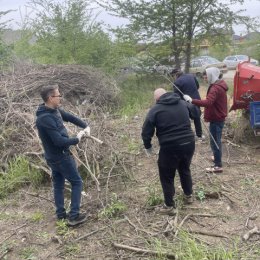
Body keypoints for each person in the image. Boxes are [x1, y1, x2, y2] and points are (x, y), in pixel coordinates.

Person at [36, 84, 90, 226]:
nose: (60, 98)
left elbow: (69, 117)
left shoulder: (55, 110)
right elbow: (59, 141)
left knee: (58, 185)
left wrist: (85, 126)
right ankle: (74, 216)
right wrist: (77, 139)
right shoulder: (44, 119)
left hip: (55, 157)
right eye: (58, 95)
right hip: (59, 157)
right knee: (77, 182)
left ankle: (61, 215)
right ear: (50, 98)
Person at [141, 88, 198, 215]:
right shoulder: (183, 103)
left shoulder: (155, 109)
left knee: (166, 175)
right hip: (189, 143)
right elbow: (196, 113)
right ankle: (189, 196)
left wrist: (148, 146)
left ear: (157, 99)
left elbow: (146, 131)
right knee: (184, 168)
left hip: (170, 146)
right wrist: (191, 102)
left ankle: (169, 206)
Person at [183, 67, 228, 173]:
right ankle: (217, 157)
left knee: (215, 142)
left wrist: (191, 100)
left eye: (206, 76)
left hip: (217, 118)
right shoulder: (217, 85)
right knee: (215, 140)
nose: (204, 78)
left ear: (212, 75)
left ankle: (218, 165)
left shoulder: (215, 88)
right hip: (217, 117)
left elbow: (208, 102)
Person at [171, 68, 204, 140]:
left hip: (186, 103)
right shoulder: (191, 76)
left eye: (173, 76)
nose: (173, 78)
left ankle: (188, 135)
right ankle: (199, 135)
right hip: (196, 99)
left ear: (175, 75)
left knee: (185, 118)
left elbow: (176, 96)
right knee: (197, 117)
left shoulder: (177, 82)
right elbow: (197, 86)